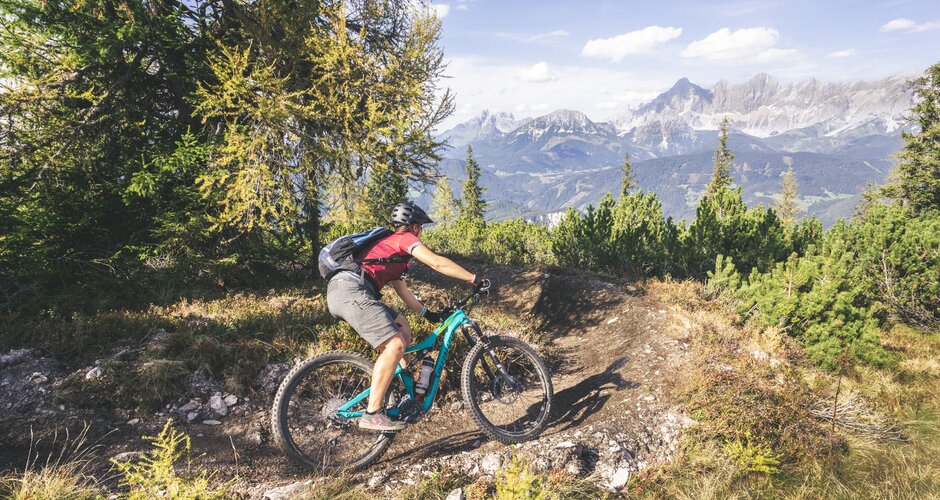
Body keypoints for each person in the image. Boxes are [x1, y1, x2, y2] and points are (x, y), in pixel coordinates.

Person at [326, 201, 488, 431]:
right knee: (395, 344)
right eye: (420, 227)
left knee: (402, 327)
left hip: (346, 290)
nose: (421, 232)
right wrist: (473, 278)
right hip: (351, 290)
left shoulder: (390, 252)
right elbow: (437, 262)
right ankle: (372, 413)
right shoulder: (404, 240)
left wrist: (428, 314)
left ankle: (407, 390)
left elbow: (403, 292)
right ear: (414, 227)